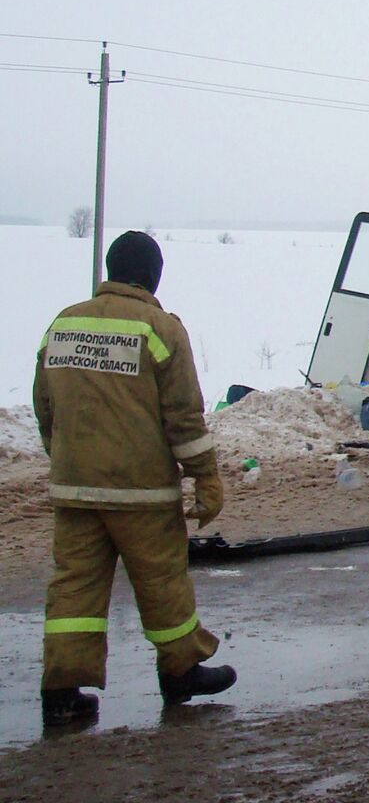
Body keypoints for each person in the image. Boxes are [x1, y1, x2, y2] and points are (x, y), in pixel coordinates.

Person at [33, 231, 235, 727]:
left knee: (74, 590)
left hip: (75, 488)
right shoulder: (159, 329)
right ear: (152, 276)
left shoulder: (63, 323)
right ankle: (182, 672)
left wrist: (65, 458)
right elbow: (183, 416)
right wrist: (206, 477)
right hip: (140, 493)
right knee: (162, 581)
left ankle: (61, 691)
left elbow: (44, 405)